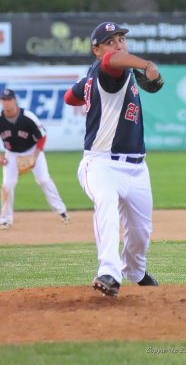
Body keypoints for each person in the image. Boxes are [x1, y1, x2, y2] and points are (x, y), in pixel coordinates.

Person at [64, 21, 163, 297]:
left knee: (141, 231)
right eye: (110, 41)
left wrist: (86, 90)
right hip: (101, 164)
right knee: (105, 203)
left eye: (121, 38)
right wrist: (146, 65)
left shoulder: (106, 73)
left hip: (136, 167)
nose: (118, 44)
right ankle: (109, 271)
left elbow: (68, 97)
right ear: (97, 50)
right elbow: (112, 60)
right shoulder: (109, 68)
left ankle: (135, 270)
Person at [0, 88, 70, 229]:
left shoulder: (28, 117)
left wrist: (34, 156)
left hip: (32, 150)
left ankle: (61, 211)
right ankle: (6, 219)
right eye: (3, 100)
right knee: (7, 184)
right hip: (11, 153)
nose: (6, 102)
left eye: (9, 99)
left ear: (15, 100)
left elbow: (42, 136)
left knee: (44, 180)